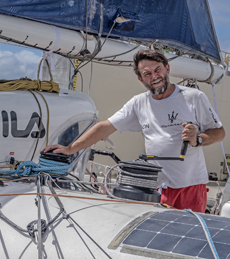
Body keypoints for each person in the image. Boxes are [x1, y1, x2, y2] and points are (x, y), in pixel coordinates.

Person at [42, 49, 225, 213]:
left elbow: (219, 132)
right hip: (153, 187)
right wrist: (70, 149)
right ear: (141, 79)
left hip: (190, 187)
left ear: (167, 68)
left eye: (157, 69)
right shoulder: (139, 103)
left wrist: (198, 139)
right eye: (147, 73)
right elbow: (106, 126)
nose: (154, 76)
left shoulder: (193, 97)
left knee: (189, 240)